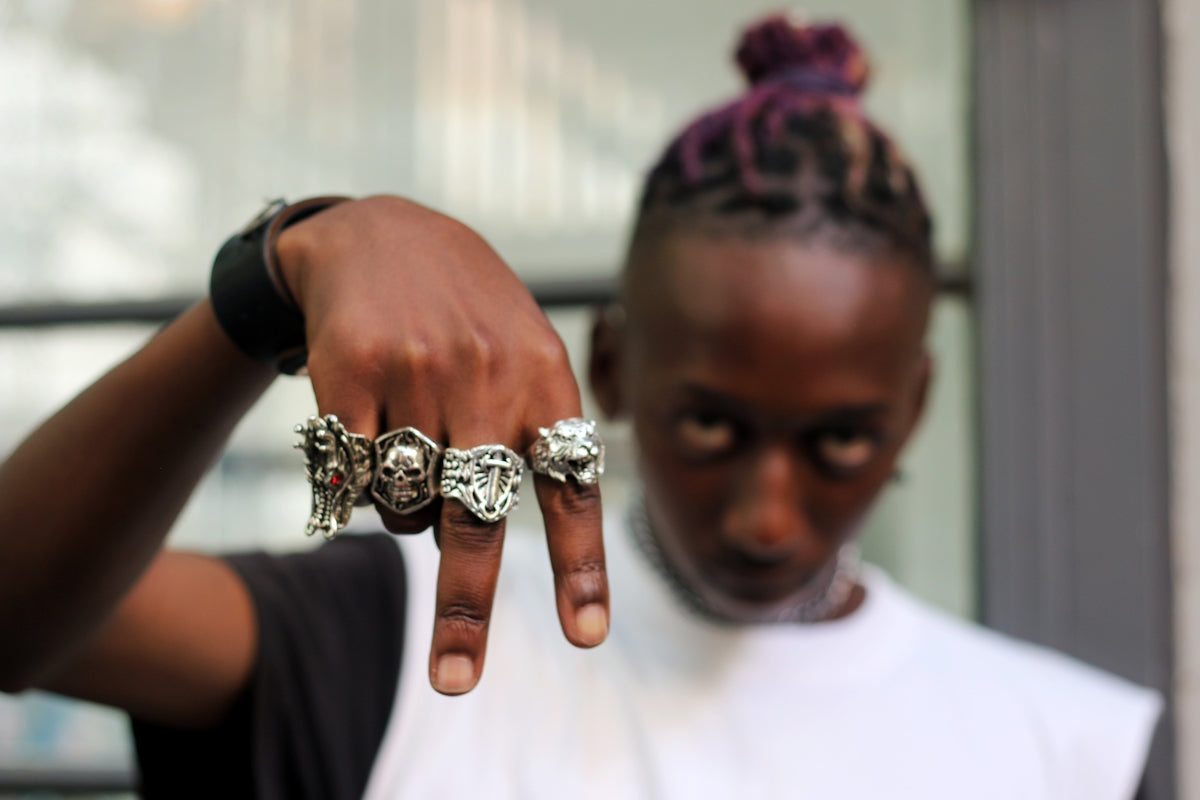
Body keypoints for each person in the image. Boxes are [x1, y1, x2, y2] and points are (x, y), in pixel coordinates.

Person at [0, 15, 1160, 800]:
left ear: (915, 408)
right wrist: (272, 278)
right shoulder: (395, 637)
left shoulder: (1072, 751)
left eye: (838, 439)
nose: (766, 513)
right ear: (611, 367)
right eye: (712, 423)